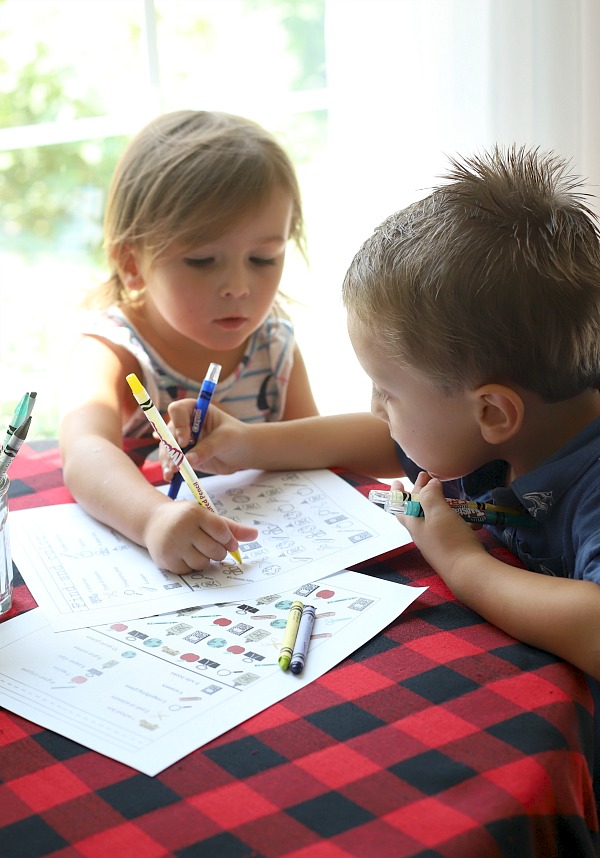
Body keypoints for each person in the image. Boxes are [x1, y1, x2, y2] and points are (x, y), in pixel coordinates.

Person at [166, 145, 600, 686]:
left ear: (492, 410)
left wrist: (462, 564)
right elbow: (384, 438)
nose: (375, 406)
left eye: (386, 391)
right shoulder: (501, 422)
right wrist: (249, 443)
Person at [59, 109, 320, 574]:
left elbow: (316, 447)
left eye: (263, 258)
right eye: (202, 260)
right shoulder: (112, 349)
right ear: (133, 263)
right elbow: (83, 456)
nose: (238, 286)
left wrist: (252, 443)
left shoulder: (273, 347)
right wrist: (153, 517)